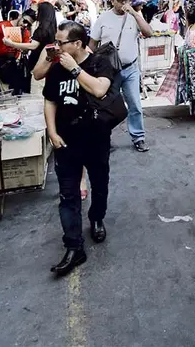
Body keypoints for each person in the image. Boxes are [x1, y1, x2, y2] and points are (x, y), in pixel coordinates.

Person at [43, 21, 119, 276]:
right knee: (68, 196)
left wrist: (74, 69)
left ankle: (97, 218)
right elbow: (50, 101)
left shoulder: (99, 62)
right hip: (65, 141)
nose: (57, 46)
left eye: (61, 42)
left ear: (77, 43)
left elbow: (99, 89)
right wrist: (52, 132)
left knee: (99, 185)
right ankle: (74, 246)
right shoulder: (56, 67)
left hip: (95, 138)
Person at [89, 0, 154, 153]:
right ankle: (104, 137)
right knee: (107, 105)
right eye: (120, 0)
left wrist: (134, 12)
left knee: (135, 105)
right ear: (112, 0)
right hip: (110, 70)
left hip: (130, 68)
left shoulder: (133, 18)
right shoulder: (103, 19)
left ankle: (138, 138)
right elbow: (92, 44)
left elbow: (149, 33)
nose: (123, 3)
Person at [10, 1, 58, 96]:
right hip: (47, 66)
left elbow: (33, 46)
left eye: (38, 10)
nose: (35, 13)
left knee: (37, 94)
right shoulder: (52, 28)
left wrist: (12, 43)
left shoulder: (41, 29)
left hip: (38, 65)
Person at [0, 9, 28, 93]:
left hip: (14, 62)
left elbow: (26, 47)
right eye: (24, 21)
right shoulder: (1, 25)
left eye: (28, 23)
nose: (25, 24)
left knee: (14, 91)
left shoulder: (25, 31)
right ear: (20, 16)